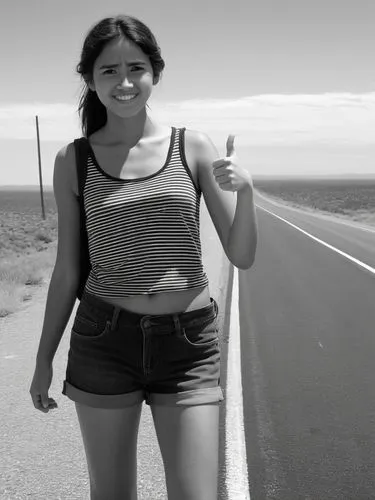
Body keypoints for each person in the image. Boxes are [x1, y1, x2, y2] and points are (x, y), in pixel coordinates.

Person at [29, 14, 258, 500]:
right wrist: (43, 358)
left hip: (189, 346)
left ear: (155, 72)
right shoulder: (74, 159)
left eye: (136, 68)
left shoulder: (191, 146)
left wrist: (249, 194)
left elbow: (241, 255)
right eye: (108, 71)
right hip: (105, 341)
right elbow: (68, 270)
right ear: (90, 80)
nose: (124, 82)